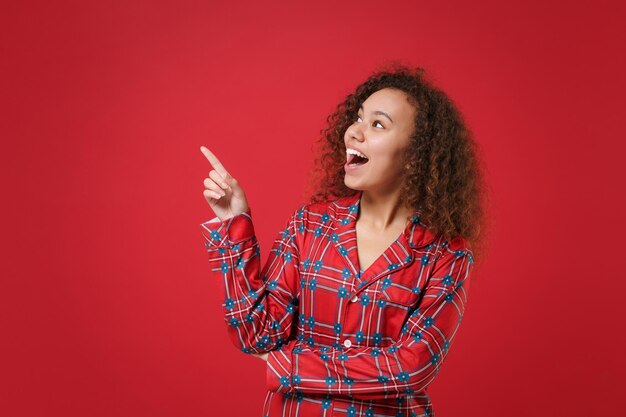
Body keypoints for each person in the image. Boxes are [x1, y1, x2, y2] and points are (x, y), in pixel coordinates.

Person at [199, 64, 487, 417]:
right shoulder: (311, 224)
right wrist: (232, 224)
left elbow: (411, 369)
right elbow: (258, 335)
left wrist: (291, 366)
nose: (354, 132)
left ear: (417, 156)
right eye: (358, 118)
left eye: (378, 124)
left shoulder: (447, 254)